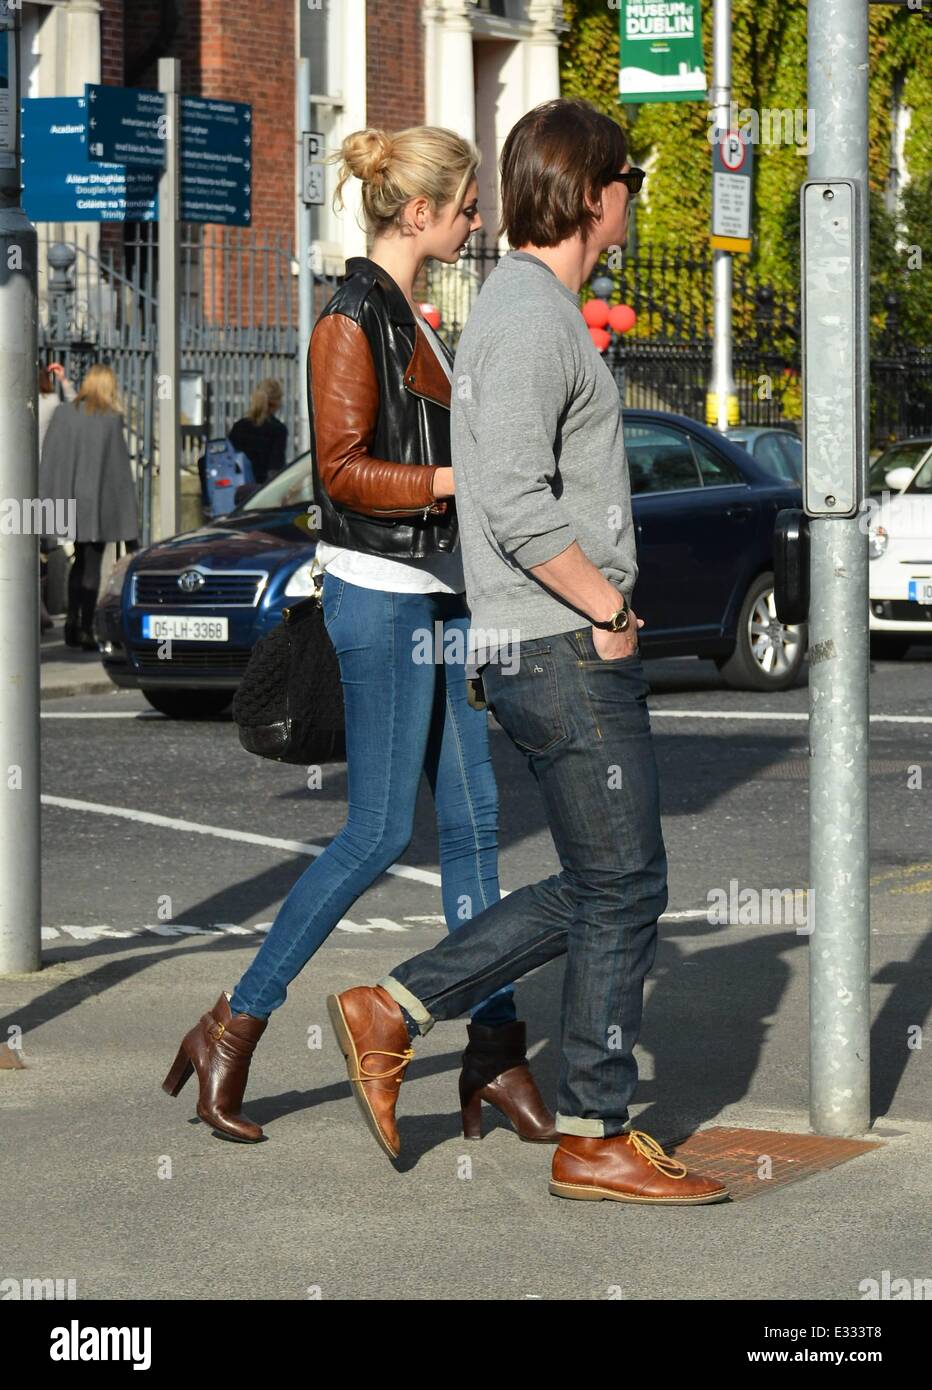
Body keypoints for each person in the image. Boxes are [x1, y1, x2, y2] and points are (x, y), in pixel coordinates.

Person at [326, 99, 728, 1206]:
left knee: (610, 880)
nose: (632, 203)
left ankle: (396, 1009)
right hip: (557, 643)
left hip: (550, 638)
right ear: (595, 192)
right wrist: (605, 604)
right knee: (627, 881)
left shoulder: (533, 306)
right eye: (628, 184)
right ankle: (591, 1129)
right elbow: (506, 495)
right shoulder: (528, 314)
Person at [162, 124, 556, 1150]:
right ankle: (232, 1026)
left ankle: (496, 1053)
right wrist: (455, 481)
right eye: (467, 206)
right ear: (417, 211)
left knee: (473, 829)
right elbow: (338, 471)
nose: (479, 221)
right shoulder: (349, 318)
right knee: (378, 830)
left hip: (437, 595)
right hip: (378, 596)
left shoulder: (415, 318)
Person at [38, 363, 138, 650]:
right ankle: (84, 627)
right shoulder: (109, 418)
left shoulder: (65, 413)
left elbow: (52, 459)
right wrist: (128, 523)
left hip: (69, 498)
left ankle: (71, 623)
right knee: (91, 565)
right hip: (98, 503)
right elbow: (119, 472)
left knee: (79, 563)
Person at [228, 379, 288, 486]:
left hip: (237, 490)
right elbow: (274, 469)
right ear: (277, 402)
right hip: (261, 494)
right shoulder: (278, 430)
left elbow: (229, 459)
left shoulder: (239, 426)